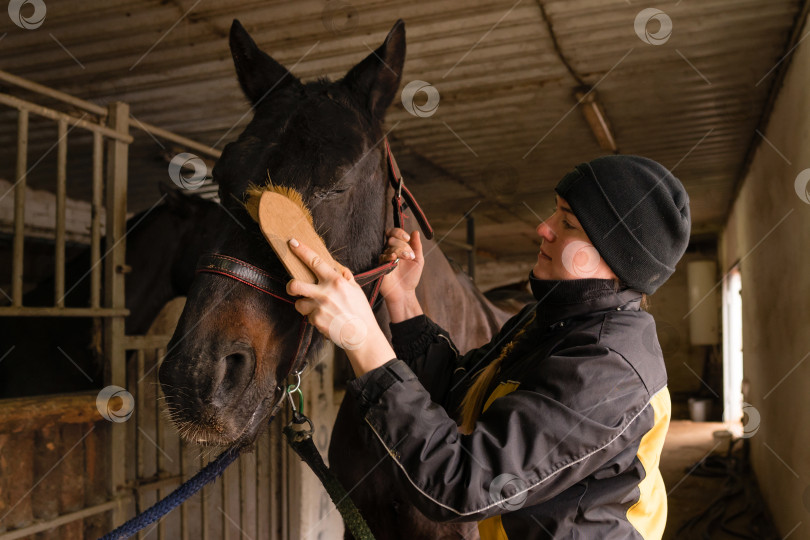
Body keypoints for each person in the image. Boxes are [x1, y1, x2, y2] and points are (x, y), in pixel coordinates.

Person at [286, 155, 691, 539]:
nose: (543, 227)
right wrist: (404, 303)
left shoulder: (608, 371)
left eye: (567, 223)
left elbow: (465, 483)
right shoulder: (552, 320)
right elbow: (458, 396)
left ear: (612, 257)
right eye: (555, 211)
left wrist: (363, 338)